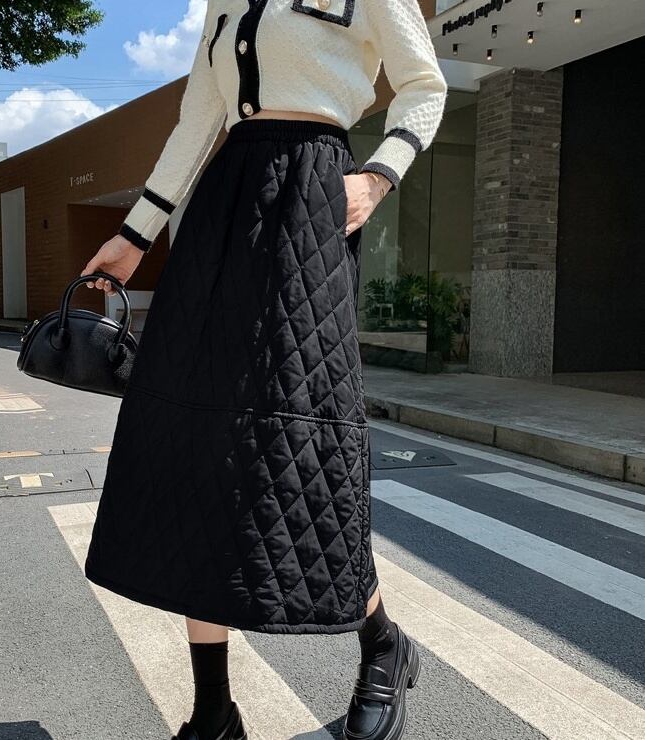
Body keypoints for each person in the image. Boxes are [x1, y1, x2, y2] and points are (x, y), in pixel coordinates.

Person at [80, 1, 447, 738]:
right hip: (222, 214)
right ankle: (213, 711)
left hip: (313, 202)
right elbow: (198, 121)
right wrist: (135, 234)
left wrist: (378, 176)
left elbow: (424, 85)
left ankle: (381, 642)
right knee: (198, 448)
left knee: (304, 448)